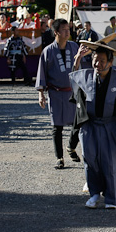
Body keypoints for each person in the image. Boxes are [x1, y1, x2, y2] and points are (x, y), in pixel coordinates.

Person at [69, 42, 116, 209]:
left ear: (110, 62)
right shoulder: (86, 77)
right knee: (90, 158)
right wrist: (78, 58)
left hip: (111, 125)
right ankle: (94, 193)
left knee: (110, 161)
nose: (97, 64)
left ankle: (111, 198)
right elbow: (75, 87)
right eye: (95, 60)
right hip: (90, 125)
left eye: (102, 61)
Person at [36, 19, 81, 169]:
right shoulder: (48, 51)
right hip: (55, 93)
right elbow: (42, 72)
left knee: (78, 122)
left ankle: (71, 146)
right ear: (56, 32)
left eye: (68, 29)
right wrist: (41, 93)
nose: (67, 32)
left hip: (72, 92)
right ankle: (59, 158)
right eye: (64, 29)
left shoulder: (74, 47)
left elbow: (82, 67)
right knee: (57, 126)